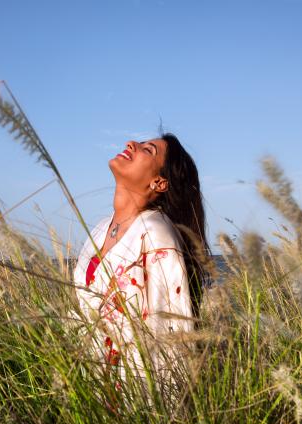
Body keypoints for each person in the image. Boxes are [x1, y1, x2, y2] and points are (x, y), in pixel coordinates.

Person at [73, 133, 209, 396]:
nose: (130, 144)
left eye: (147, 149)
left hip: (132, 395)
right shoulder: (102, 228)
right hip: (90, 386)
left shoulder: (156, 234)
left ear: (159, 182)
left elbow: (169, 339)